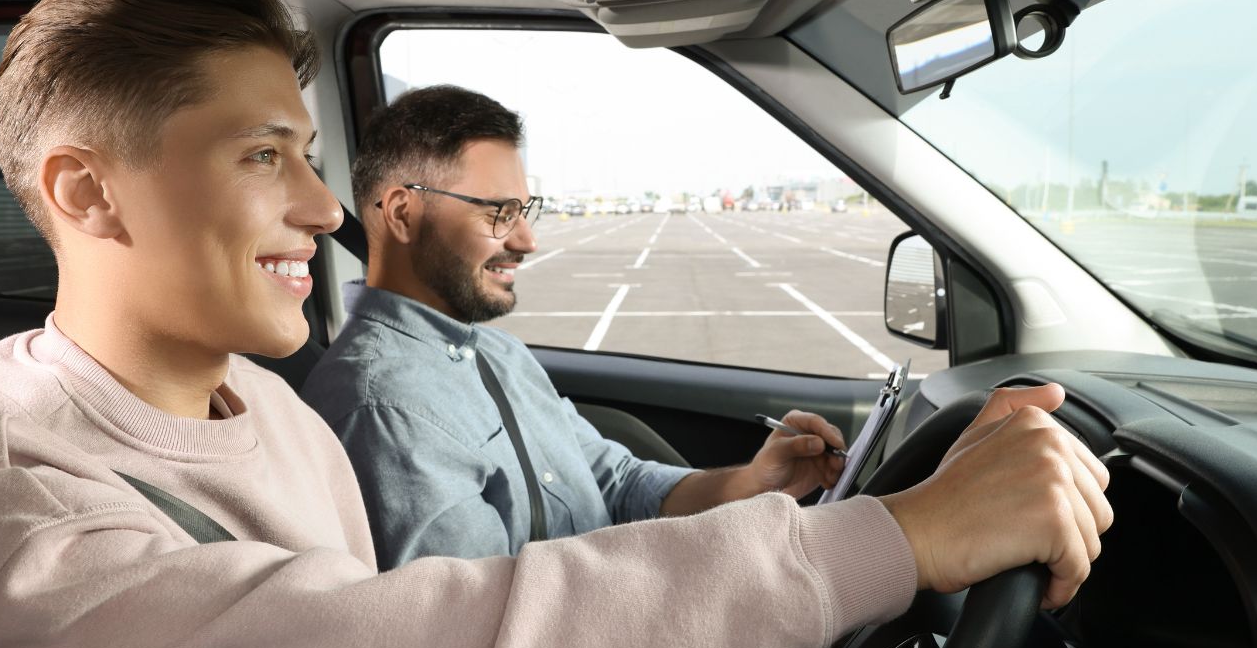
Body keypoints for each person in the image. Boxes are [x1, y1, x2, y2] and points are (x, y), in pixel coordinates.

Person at [0, 0, 1114, 648]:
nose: (324, 209)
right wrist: (896, 541)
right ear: (85, 192)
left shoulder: (266, 414)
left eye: (313, 157)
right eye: (261, 156)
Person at [302, 86, 851, 569]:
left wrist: (753, 482)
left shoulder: (498, 352)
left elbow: (618, 483)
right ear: (402, 213)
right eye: (499, 213)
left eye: (524, 210)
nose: (526, 241)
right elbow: (486, 633)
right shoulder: (385, 407)